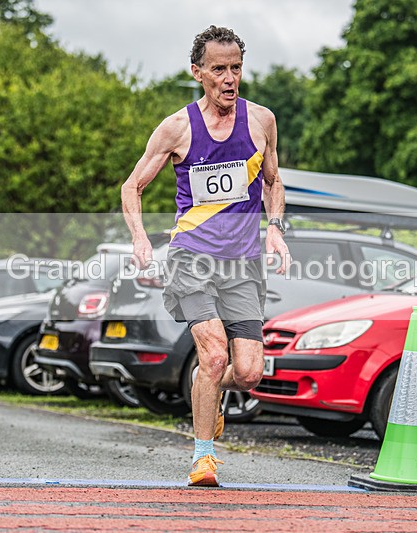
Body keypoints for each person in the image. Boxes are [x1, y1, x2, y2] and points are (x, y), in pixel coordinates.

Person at [121, 25, 289, 487]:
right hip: (192, 257)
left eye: (236, 68)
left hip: (243, 263)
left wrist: (275, 229)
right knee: (214, 357)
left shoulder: (262, 121)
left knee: (250, 372)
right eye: (219, 70)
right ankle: (202, 457)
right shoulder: (176, 128)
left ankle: (207, 390)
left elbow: (273, 181)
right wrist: (139, 237)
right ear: (197, 73)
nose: (229, 78)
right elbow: (131, 186)